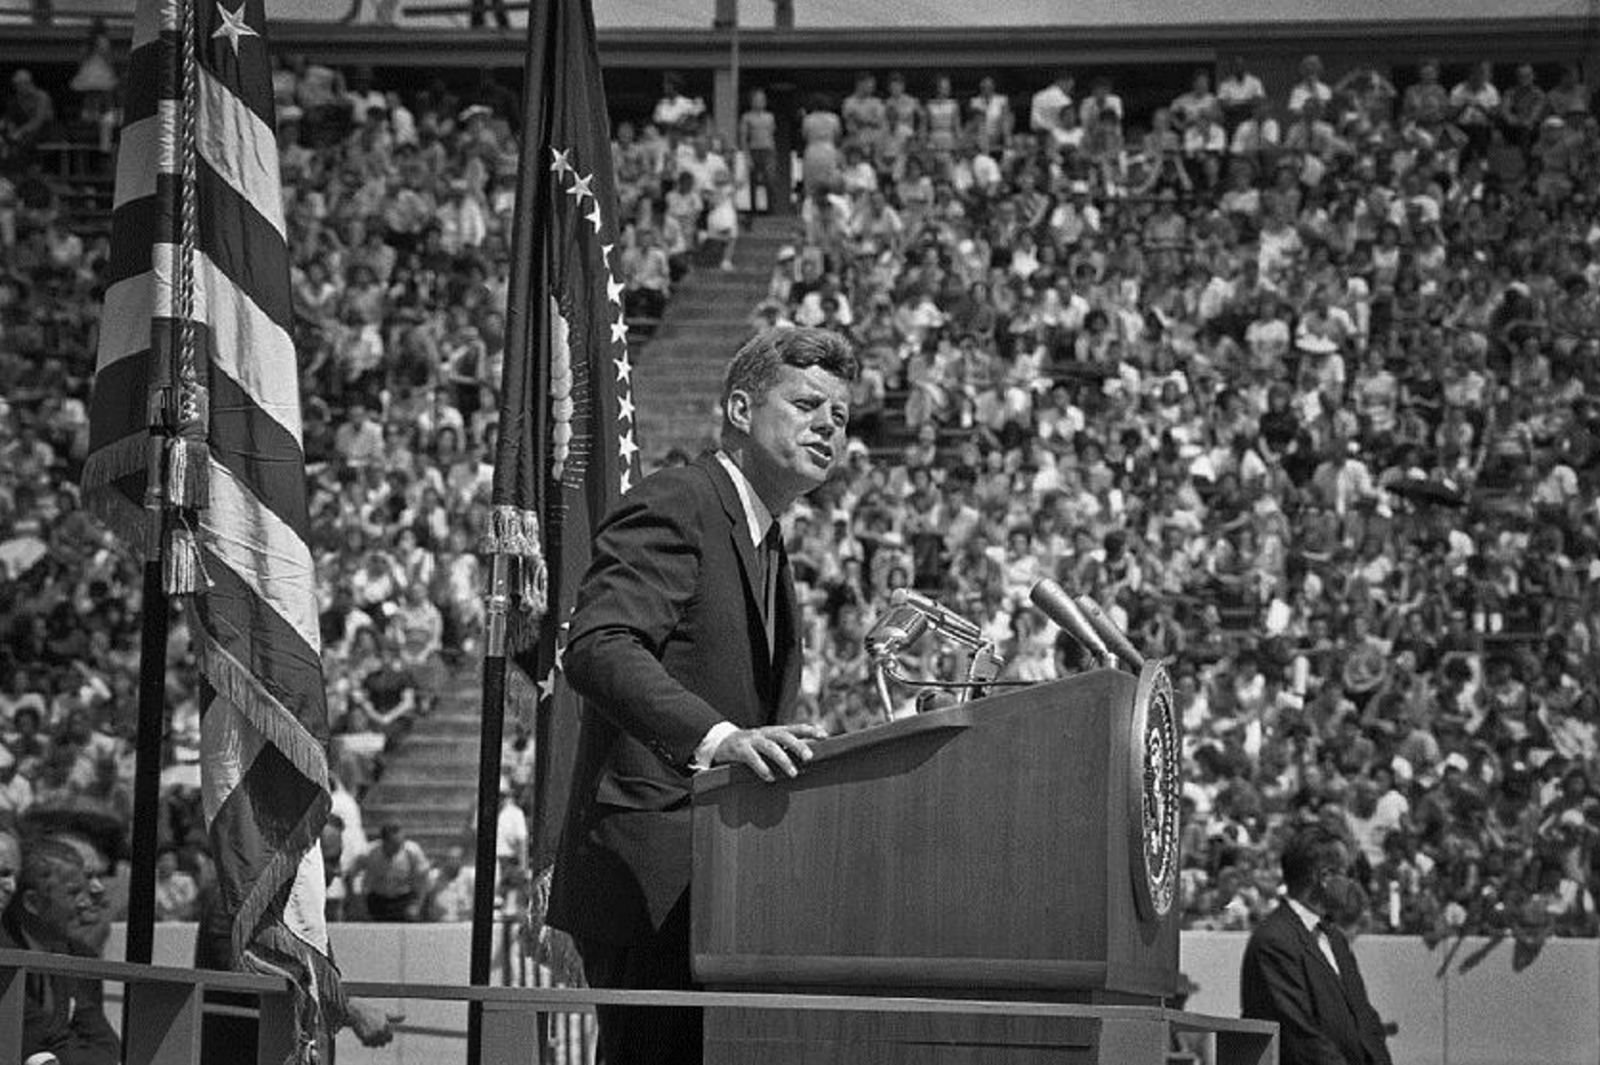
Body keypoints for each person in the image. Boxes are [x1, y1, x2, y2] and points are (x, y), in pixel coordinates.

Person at [547, 327, 858, 1065]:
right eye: (808, 404)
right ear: (742, 408)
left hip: (725, 880)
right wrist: (720, 740)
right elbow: (597, 645)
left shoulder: (771, 546)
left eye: (840, 418)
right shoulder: (681, 500)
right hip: (655, 878)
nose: (827, 427)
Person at [1240, 825, 1394, 1065]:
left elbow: (1365, 1021)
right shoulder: (1274, 941)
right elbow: (1298, 1036)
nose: (1351, 884)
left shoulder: (1335, 939)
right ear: (1324, 877)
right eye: (1347, 873)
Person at [0, 838, 119, 1065]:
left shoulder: (74, 955)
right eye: (74, 893)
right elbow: (41, 1038)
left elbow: (105, 1040)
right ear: (33, 902)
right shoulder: (5, 952)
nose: (84, 904)